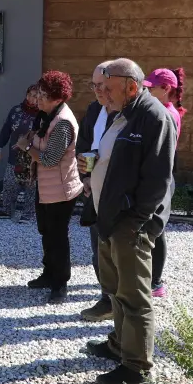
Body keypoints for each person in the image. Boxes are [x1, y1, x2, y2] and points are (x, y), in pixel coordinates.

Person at [86, 58, 177, 384]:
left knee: (135, 296)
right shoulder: (122, 113)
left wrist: (139, 222)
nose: (103, 94)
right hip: (109, 218)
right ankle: (119, 345)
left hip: (130, 224)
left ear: (131, 86)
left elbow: (158, 179)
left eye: (108, 88)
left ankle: (136, 367)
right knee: (116, 291)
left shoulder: (154, 117)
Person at [21, 70, 84, 304]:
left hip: (62, 189)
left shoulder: (63, 122)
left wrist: (26, 147)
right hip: (46, 186)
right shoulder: (45, 115)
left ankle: (60, 284)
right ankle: (48, 275)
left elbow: (50, 159)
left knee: (58, 237)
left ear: (58, 97)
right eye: (38, 93)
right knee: (45, 232)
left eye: (44, 95)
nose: (38, 99)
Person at [143, 67, 186, 298]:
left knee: (157, 229)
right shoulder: (164, 110)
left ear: (166, 89)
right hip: (160, 175)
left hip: (162, 177)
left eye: (152, 87)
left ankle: (156, 282)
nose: (147, 91)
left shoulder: (167, 113)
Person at [78, 63, 116, 322]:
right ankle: (106, 298)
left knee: (117, 251)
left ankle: (120, 303)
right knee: (98, 248)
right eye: (94, 85)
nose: (98, 91)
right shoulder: (93, 109)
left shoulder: (129, 114)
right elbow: (83, 144)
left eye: (102, 86)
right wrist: (85, 177)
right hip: (94, 188)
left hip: (117, 193)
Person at [0, 85, 41, 222]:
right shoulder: (16, 111)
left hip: (32, 157)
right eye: (31, 95)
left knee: (31, 187)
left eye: (37, 96)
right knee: (9, 184)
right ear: (26, 95)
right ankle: (7, 210)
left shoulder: (42, 114)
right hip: (14, 157)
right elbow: (6, 130)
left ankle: (28, 214)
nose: (33, 99)